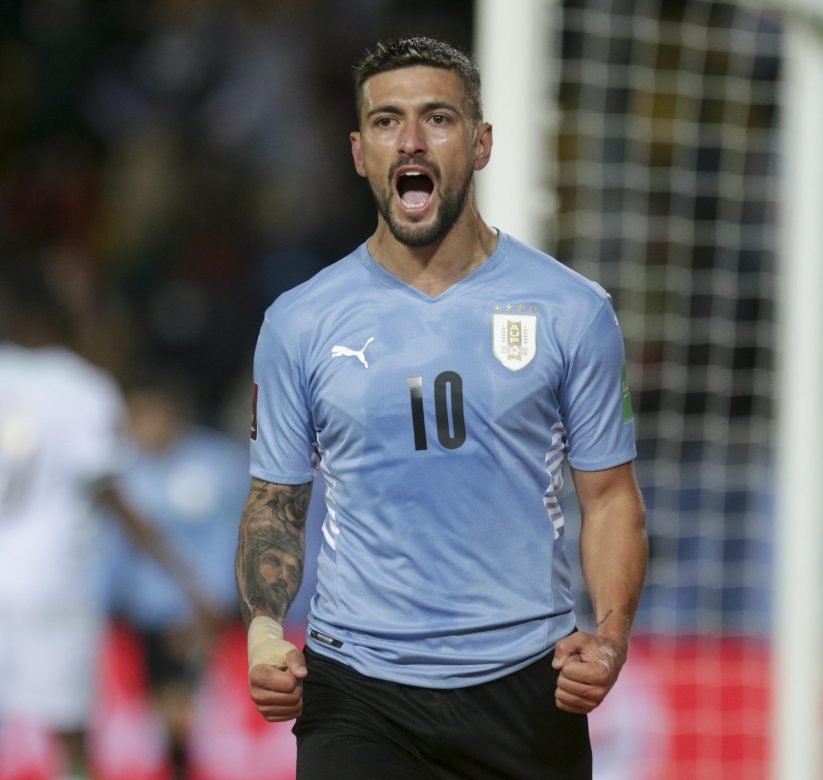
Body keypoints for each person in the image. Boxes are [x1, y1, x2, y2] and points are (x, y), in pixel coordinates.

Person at [235, 36, 647, 779]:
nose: (411, 141)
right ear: (359, 152)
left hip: (527, 684)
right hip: (357, 689)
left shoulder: (573, 310)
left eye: (438, 118)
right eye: (387, 121)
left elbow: (612, 498)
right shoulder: (299, 322)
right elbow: (275, 502)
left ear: (481, 144)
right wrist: (265, 629)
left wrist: (611, 636)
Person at [0, 264, 217, 780]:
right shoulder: (83, 388)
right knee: (72, 742)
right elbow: (116, 499)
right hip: (55, 581)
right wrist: (185, 578)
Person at [103, 365, 250, 779]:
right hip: (146, 613)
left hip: (205, 612)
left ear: (173, 412)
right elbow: (113, 549)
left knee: (204, 714)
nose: (142, 427)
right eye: (134, 418)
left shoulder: (219, 464)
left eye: (148, 414)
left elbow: (234, 537)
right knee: (159, 713)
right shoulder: (122, 471)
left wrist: (215, 602)